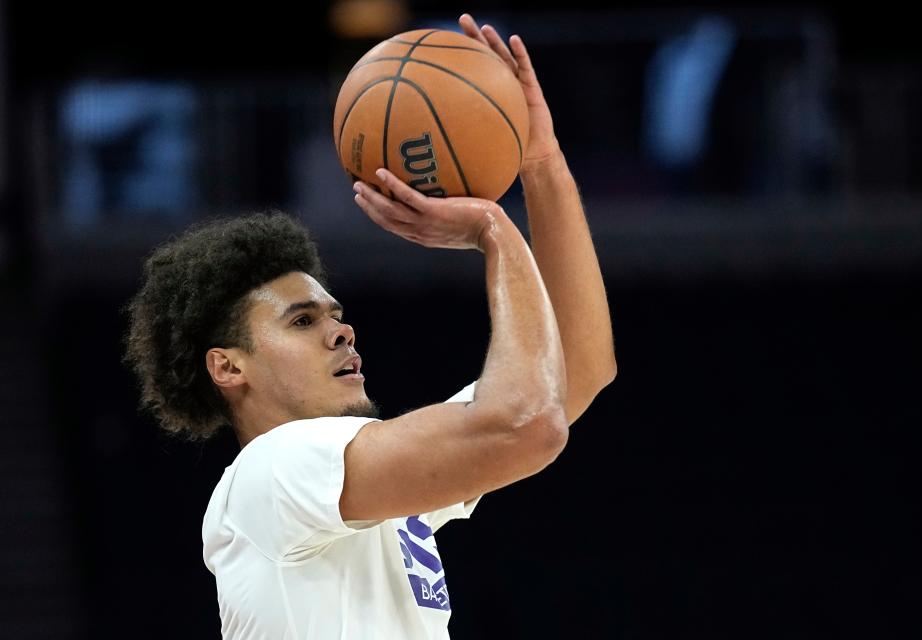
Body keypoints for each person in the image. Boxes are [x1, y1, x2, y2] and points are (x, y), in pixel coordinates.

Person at [124, 14, 615, 639]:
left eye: (336, 316)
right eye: (301, 321)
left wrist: (539, 162)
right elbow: (529, 425)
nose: (340, 332)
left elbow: (577, 370)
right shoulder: (276, 470)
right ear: (227, 366)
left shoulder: (363, 489)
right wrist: (494, 232)